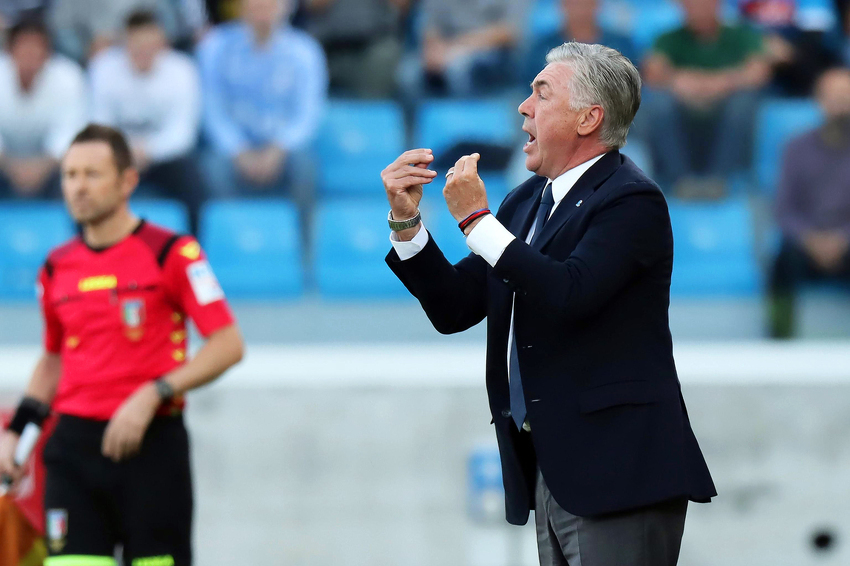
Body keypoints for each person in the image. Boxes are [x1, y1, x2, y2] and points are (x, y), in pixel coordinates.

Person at [383, 42, 716, 565]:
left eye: (542, 93)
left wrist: (476, 222)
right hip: (551, 467)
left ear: (589, 118)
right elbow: (455, 308)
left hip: (618, 470)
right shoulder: (526, 202)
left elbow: (569, 293)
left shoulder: (631, 199)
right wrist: (407, 224)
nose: (523, 107)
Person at [0, 124, 244, 565]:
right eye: (70, 175)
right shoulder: (56, 267)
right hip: (72, 450)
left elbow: (228, 344)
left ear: (128, 180)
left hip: (150, 447)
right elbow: (53, 358)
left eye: (92, 174)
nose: (78, 187)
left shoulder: (172, 252)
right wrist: (15, 433)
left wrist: (154, 393)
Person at [197, 0, 327, 261]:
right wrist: (238, 150)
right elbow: (211, 109)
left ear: (286, 7)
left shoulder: (305, 51)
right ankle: (235, 247)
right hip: (234, 150)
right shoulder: (215, 46)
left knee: (305, 167)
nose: (263, 9)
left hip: (283, 150)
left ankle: (303, 253)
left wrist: (278, 148)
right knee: (211, 169)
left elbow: (308, 113)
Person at [90, 10, 206, 235]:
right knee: (88, 184)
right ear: (124, 43)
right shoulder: (103, 68)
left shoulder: (182, 70)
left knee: (194, 182)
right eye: (136, 45)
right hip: (117, 158)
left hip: (163, 159)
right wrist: (126, 151)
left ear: (162, 42)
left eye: (149, 45)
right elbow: (99, 123)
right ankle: (91, 254)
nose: (143, 52)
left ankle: (192, 252)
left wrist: (149, 150)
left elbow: (183, 132)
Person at [642, 0, 771, 195]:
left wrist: (721, 82)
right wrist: (679, 80)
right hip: (684, 105)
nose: (699, 9)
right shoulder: (669, 38)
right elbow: (652, 72)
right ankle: (679, 179)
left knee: (744, 103)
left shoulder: (741, 35)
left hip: (726, 103)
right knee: (658, 103)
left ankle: (720, 180)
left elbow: (759, 72)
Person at [769, 68, 850, 339]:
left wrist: (842, 239)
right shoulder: (796, 147)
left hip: (847, 244)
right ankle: (779, 340)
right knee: (780, 263)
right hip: (806, 245)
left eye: (845, 97)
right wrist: (810, 239)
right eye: (833, 97)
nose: (839, 105)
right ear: (818, 101)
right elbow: (784, 209)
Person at [0, 19, 87, 200]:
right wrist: (9, 166)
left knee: (81, 168)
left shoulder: (69, 77)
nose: (30, 53)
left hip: (51, 167)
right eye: (24, 47)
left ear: (48, 52)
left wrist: (42, 167)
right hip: (4, 164)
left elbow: (69, 130)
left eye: (37, 47)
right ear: (9, 50)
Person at [398, 0, 526, 99]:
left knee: (458, 68)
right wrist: (434, 51)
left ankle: (462, 126)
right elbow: (430, 27)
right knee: (408, 73)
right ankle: (418, 129)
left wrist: (457, 48)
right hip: (446, 51)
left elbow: (509, 33)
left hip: (493, 53)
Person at [304, 0, 407, 98]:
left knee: (385, 56)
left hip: (372, 44)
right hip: (328, 45)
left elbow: (401, 5)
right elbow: (312, 5)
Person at [740, 0, 841, 96]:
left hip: (801, 65)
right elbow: (731, 34)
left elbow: (817, 41)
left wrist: (786, 50)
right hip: (747, 61)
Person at [523, 0, 636, 85]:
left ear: (597, 5)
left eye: (586, 3)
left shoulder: (621, 44)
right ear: (562, 6)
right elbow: (527, 86)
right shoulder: (541, 48)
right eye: (574, 3)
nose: (580, 10)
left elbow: (632, 83)